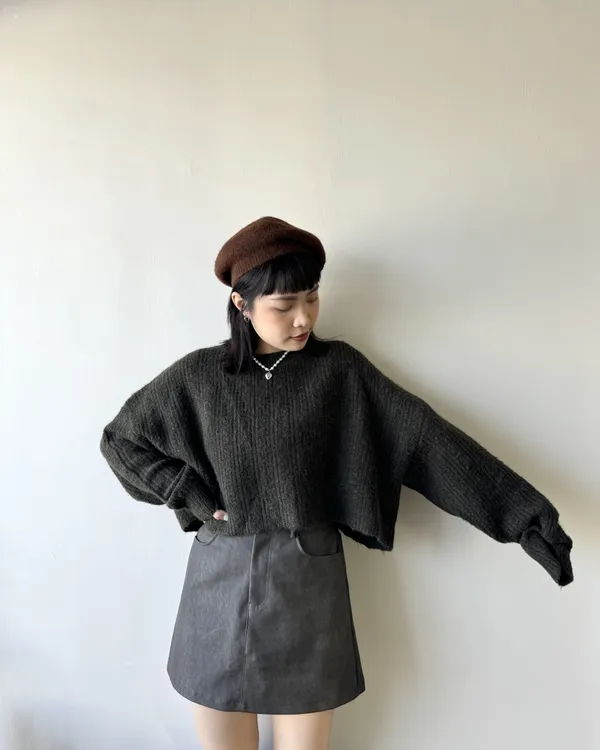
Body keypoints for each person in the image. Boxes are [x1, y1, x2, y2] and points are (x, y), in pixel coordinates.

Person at [99, 216, 573, 750]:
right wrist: (183, 488)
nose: (303, 318)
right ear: (241, 304)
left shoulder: (339, 371)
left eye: (312, 298)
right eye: (284, 306)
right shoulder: (198, 377)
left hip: (308, 580)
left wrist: (525, 518)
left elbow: (425, 441)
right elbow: (120, 440)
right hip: (218, 583)